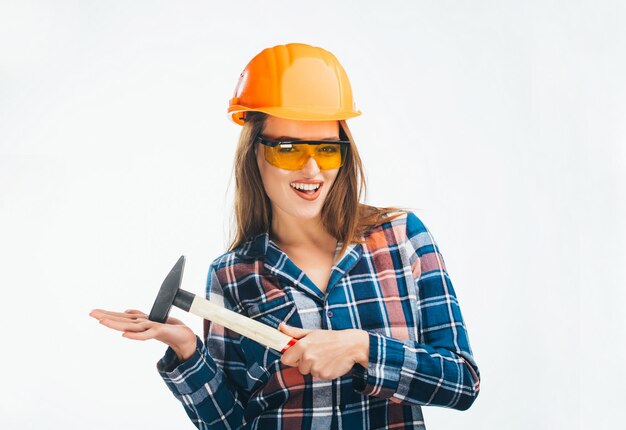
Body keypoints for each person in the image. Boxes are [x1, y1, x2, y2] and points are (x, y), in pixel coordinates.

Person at [90, 42, 481, 430]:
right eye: (289, 149)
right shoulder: (232, 275)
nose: (312, 169)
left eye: (327, 149)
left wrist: (361, 347)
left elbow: (462, 382)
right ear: (255, 155)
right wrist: (188, 350)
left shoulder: (401, 237)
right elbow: (230, 424)